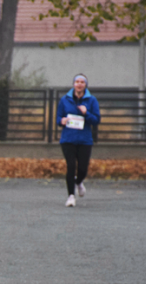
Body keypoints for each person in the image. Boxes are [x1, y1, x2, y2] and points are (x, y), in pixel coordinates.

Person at [56, 73, 101, 207]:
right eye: (77, 82)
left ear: (85, 85)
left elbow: (96, 120)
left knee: (82, 168)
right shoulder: (65, 100)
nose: (79, 84)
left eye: (82, 82)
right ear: (74, 84)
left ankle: (79, 182)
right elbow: (58, 118)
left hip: (84, 140)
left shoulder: (92, 100)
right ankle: (71, 196)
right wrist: (61, 121)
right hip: (68, 139)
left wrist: (86, 113)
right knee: (71, 166)